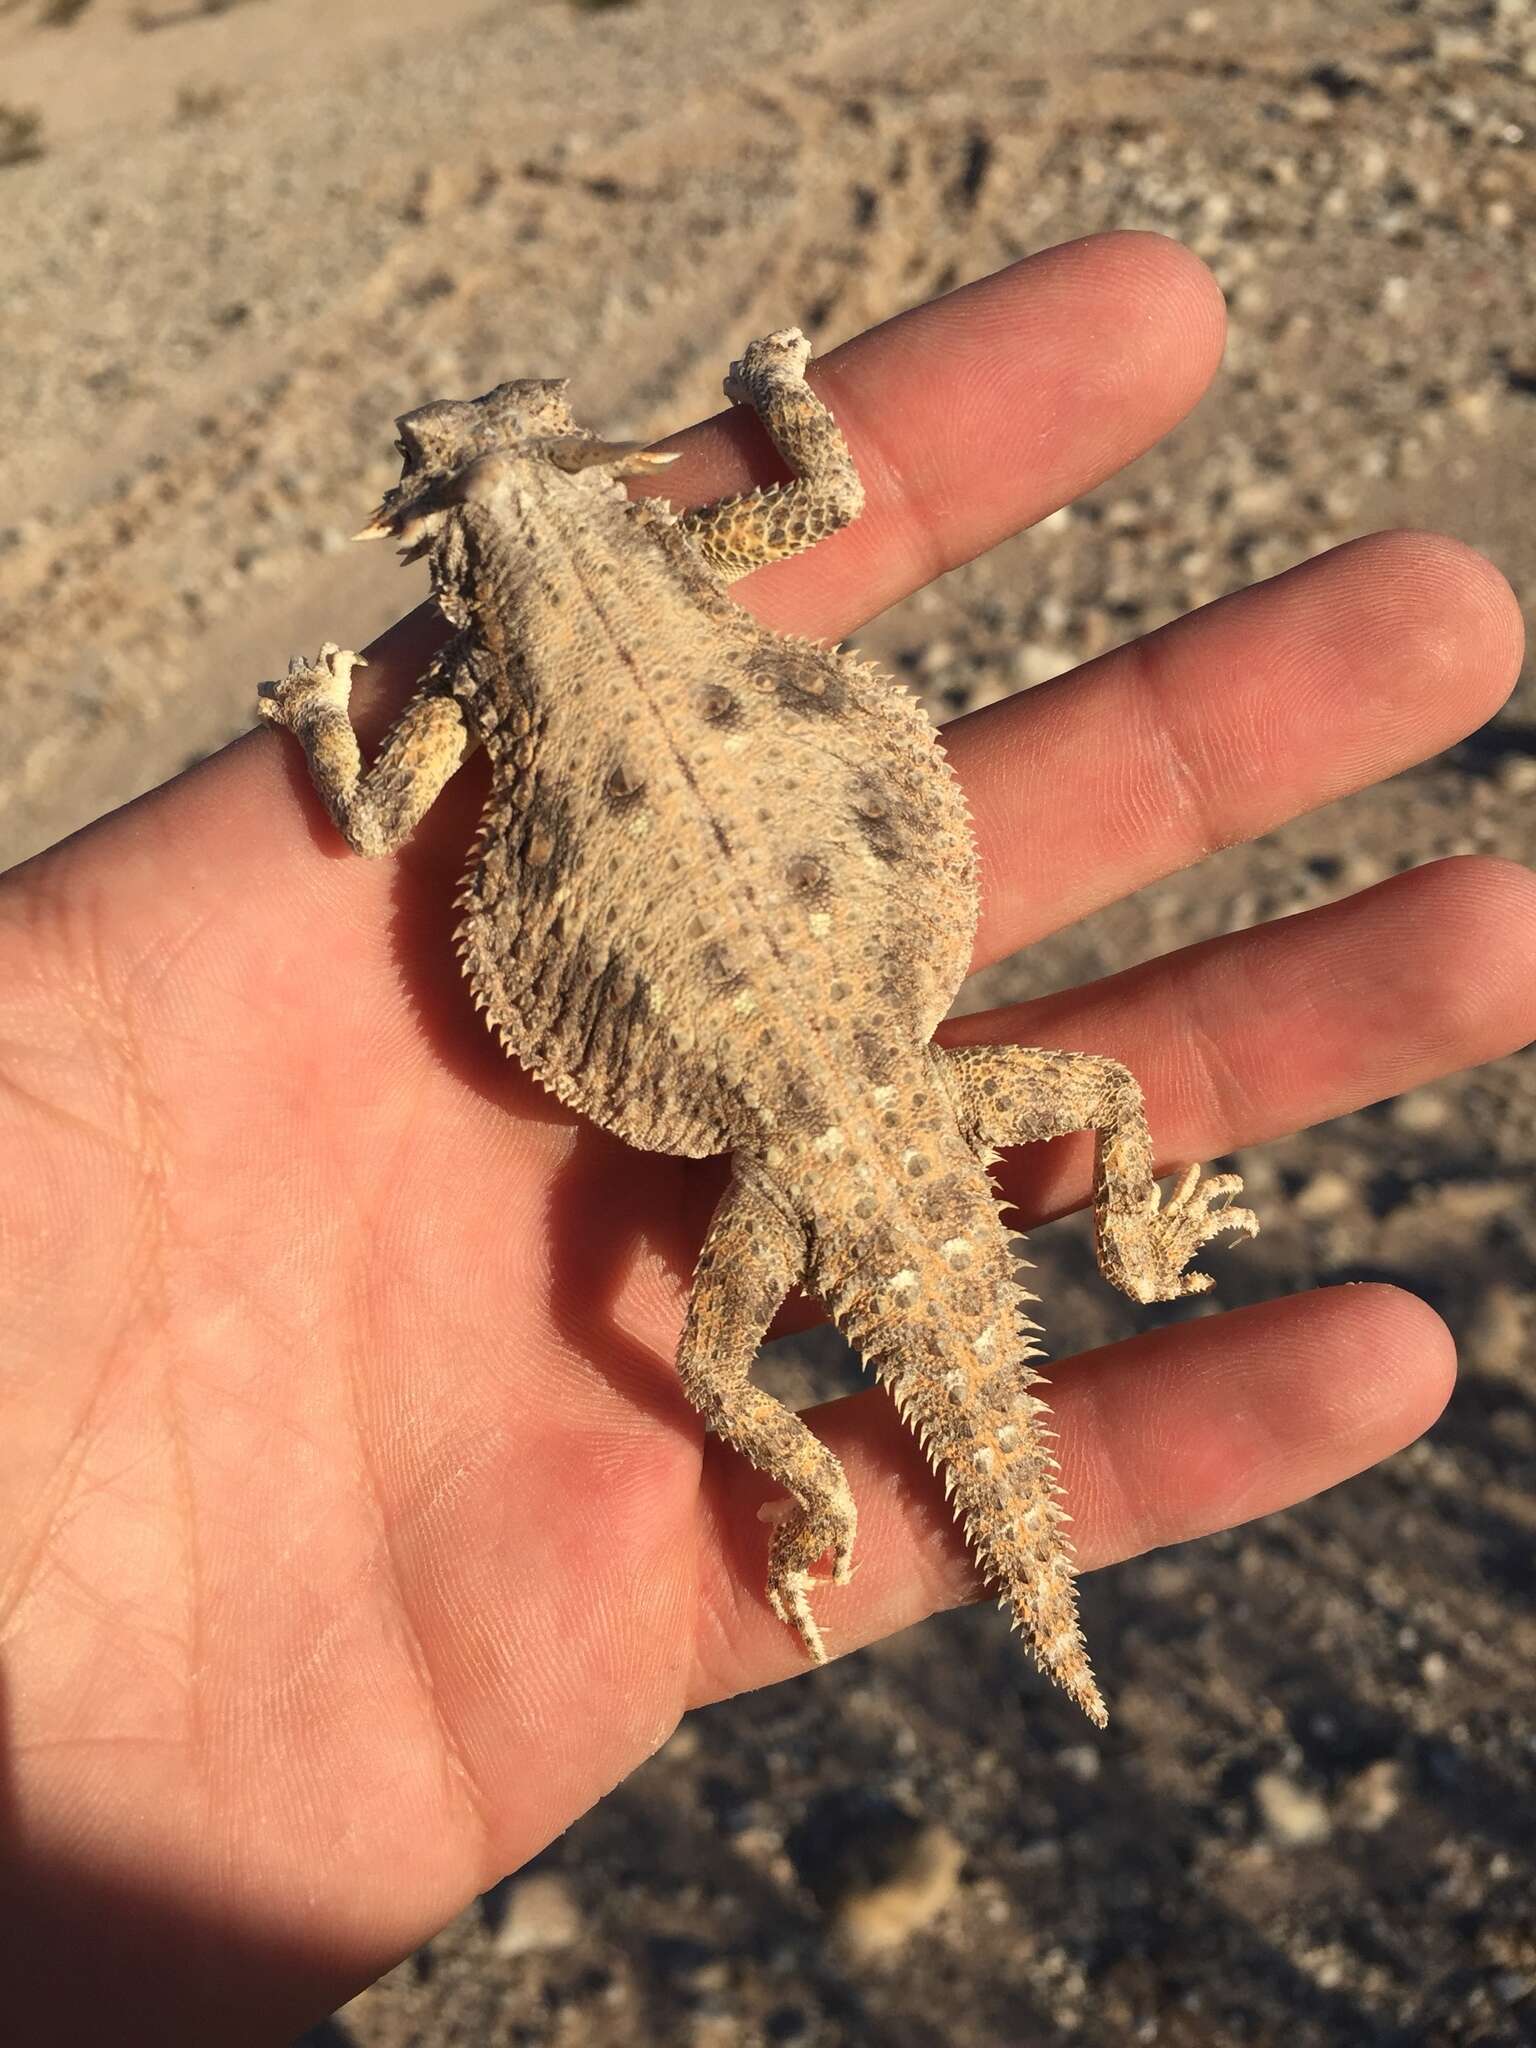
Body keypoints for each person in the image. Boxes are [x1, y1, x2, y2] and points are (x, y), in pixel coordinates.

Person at [0, 233, 1528, 2042]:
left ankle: (837, 1495)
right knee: (1103, 1100)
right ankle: (1118, 1267)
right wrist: (777, 387)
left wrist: (332, 711)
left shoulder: (472, 686)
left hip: (807, 1087)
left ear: (453, 529)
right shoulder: (677, 557)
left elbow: (364, 817)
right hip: (851, 1061)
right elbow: (821, 486)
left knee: (732, 1354)